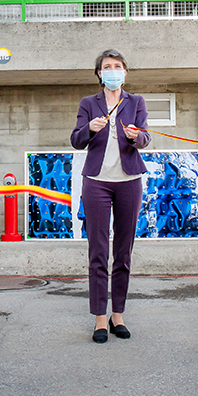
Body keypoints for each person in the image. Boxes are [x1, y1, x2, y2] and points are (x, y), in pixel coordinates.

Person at [70, 49, 151, 343]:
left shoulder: (136, 102)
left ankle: (118, 314)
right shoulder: (88, 103)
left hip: (129, 180)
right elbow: (76, 140)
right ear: (99, 73)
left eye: (118, 66)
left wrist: (135, 136)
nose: (113, 70)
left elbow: (145, 137)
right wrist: (89, 128)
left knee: (124, 252)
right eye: (107, 66)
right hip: (96, 182)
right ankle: (99, 319)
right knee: (98, 252)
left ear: (125, 72)